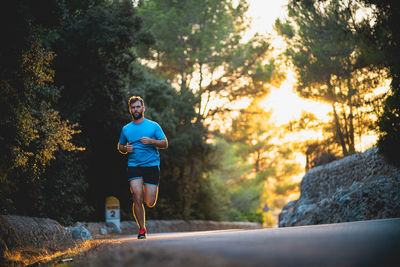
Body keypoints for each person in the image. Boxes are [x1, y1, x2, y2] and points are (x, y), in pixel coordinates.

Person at [117, 96, 168, 239]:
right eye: (133, 107)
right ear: (130, 110)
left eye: (138, 107)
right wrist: (125, 149)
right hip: (134, 166)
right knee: (136, 196)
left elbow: (165, 143)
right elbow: (120, 146)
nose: (136, 110)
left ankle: (148, 192)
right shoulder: (126, 129)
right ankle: (142, 229)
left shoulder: (153, 126)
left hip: (151, 166)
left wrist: (151, 141)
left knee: (149, 202)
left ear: (143, 108)